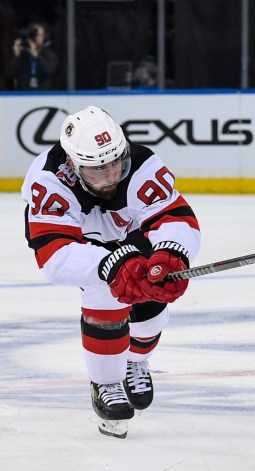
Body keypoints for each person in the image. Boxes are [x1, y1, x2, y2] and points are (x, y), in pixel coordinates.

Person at [21, 106, 200, 438]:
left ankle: (136, 361)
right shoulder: (49, 181)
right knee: (105, 293)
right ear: (74, 165)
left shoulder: (144, 165)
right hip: (81, 237)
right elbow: (55, 258)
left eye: (116, 163)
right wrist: (109, 265)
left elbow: (175, 217)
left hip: (129, 233)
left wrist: (172, 251)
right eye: (98, 170)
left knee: (152, 293)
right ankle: (105, 384)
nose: (111, 177)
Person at [6, 22, 59, 90]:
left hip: (43, 94)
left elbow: (49, 70)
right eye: (35, 35)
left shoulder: (49, 54)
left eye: (39, 35)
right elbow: (9, 73)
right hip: (23, 94)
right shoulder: (23, 55)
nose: (37, 38)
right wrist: (16, 55)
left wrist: (36, 56)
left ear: (44, 37)